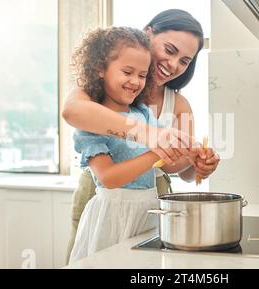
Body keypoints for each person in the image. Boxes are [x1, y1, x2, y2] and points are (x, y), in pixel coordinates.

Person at [63, 9, 220, 263]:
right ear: (148, 35)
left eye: (184, 61)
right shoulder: (99, 90)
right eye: (170, 50)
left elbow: (177, 168)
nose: (173, 64)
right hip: (100, 195)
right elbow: (72, 111)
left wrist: (197, 163)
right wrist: (150, 136)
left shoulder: (176, 104)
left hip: (151, 196)